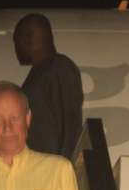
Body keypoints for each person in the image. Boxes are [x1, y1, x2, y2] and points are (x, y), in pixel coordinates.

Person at [15, 13, 84, 158]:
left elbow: (70, 125)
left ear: (27, 40)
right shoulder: (42, 71)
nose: (16, 49)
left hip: (52, 169)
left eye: (16, 42)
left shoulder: (59, 67)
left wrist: (62, 168)